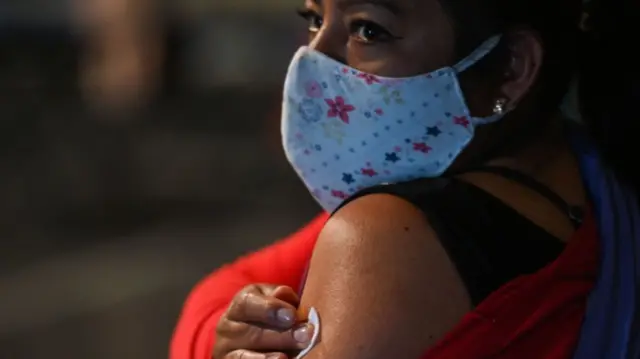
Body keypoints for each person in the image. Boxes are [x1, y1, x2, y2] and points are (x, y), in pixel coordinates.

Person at [171, 0, 640, 358]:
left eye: (368, 29)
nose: (314, 60)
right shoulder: (589, 178)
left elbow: (207, 298)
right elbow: (225, 288)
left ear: (512, 68)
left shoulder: (381, 237)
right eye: (314, 18)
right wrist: (218, 330)